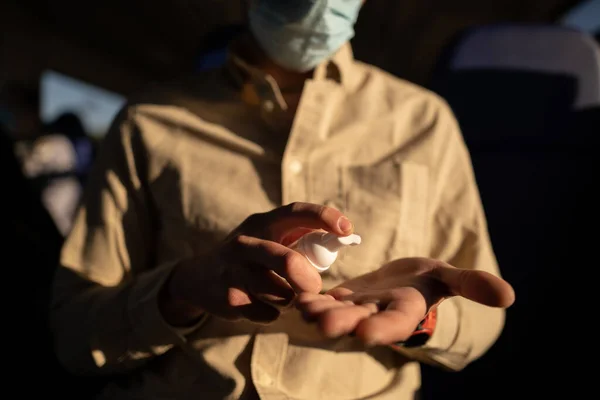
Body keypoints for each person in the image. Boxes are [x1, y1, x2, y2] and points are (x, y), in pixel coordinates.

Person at [50, 1, 515, 399]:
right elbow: (74, 333)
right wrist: (181, 289)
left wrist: (424, 320)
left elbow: (480, 316)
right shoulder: (149, 123)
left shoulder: (423, 122)